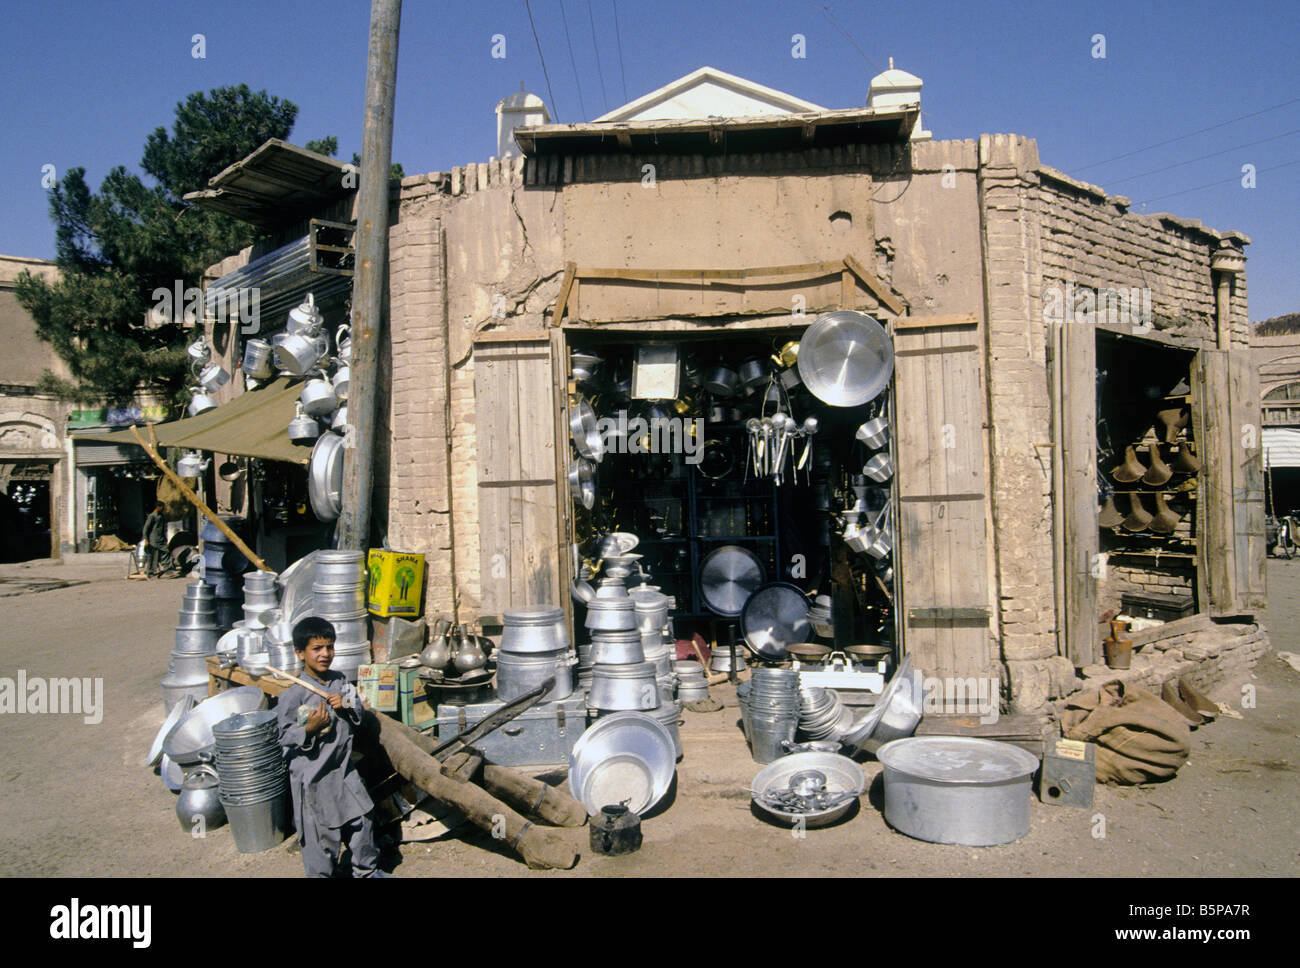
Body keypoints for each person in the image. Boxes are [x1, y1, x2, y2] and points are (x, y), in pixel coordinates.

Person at [276, 617, 385, 877]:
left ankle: (367, 872)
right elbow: (284, 737)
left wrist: (347, 704)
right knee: (320, 838)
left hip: (344, 771)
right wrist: (309, 729)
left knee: (362, 821)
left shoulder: (340, 682)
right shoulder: (293, 694)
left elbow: (358, 710)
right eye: (317, 648)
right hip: (313, 779)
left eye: (330, 647)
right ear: (300, 652)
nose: (325, 654)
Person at [142, 501, 169, 574]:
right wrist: (146, 540)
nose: (163, 509)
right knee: (153, 555)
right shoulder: (152, 516)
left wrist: (165, 538)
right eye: (162, 507)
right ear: (158, 507)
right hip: (153, 540)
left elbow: (163, 529)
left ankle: (167, 569)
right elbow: (146, 529)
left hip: (161, 539)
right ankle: (150, 570)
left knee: (165, 552)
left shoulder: (161, 516)